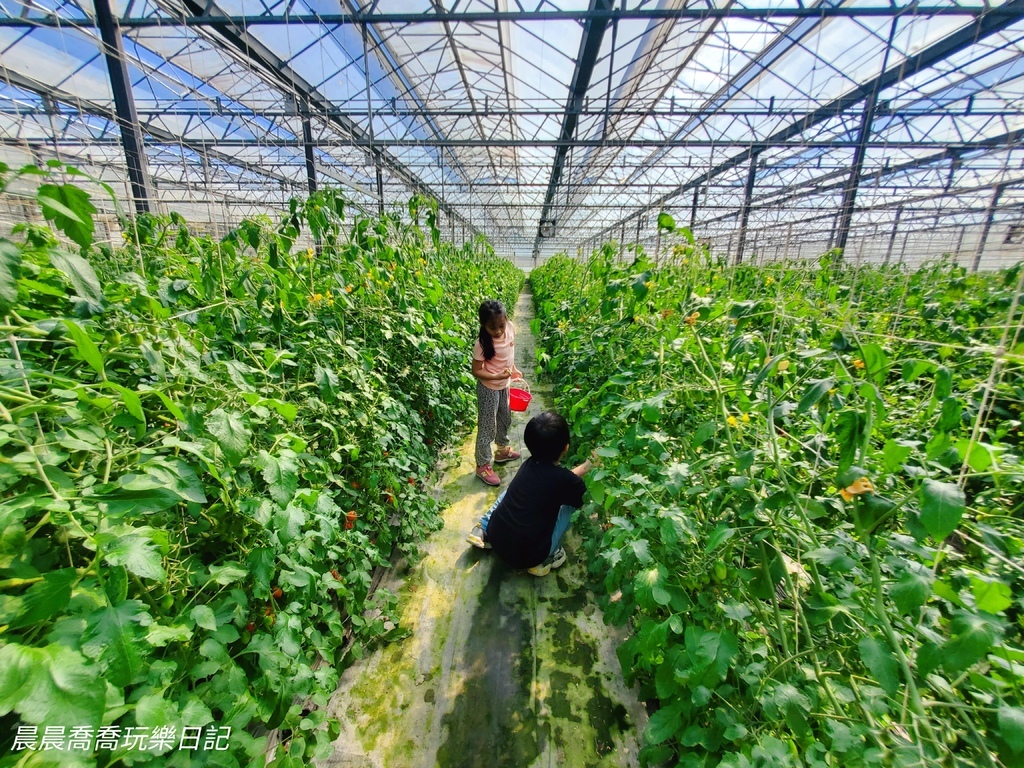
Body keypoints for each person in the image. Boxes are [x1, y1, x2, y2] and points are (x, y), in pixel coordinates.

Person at [467, 411, 597, 577]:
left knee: (509, 492)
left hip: (497, 537)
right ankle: (551, 554)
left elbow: (561, 481)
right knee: (572, 506)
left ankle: (482, 527)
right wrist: (590, 465)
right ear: (566, 447)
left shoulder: (528, 465)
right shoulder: (568, 482)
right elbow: (568, 485)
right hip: (529, 557)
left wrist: (585, 467)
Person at [471, 299, 523, 486]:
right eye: (493, 328)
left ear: (506, 319)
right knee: (487, 427)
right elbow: (476, 371)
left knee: (505, 418)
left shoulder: (509, 328)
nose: (499, 331)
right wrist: (495, 376)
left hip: (504, 384)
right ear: (483, 325)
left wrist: (513, 369)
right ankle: (483, 465)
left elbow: (510, 353)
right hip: (488, 389)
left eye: (501, 325)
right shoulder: (482, 344)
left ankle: (501, 451)